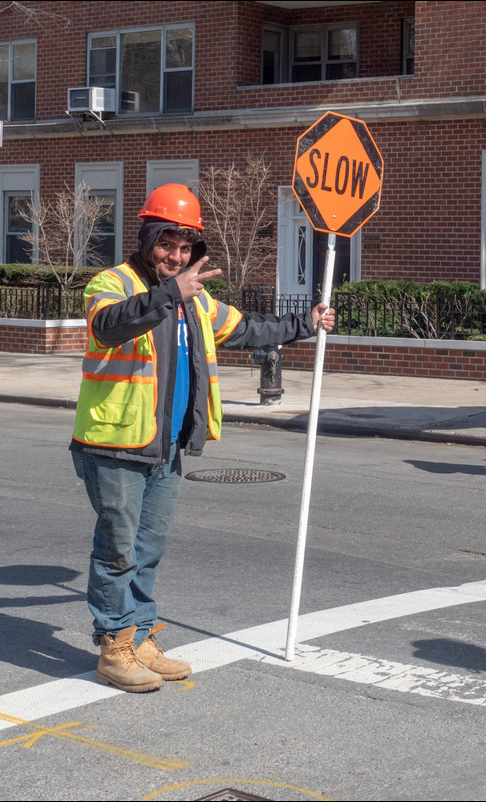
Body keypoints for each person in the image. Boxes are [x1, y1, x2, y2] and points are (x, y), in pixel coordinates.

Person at [71, 183, 335, 693]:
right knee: (118, 549)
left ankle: (140, 635)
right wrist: (172, 291)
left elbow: (245, 328)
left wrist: (305, 322)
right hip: (114, 444)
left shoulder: (197, 301)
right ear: (148, 238)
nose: (175, 255)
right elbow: (107, 326)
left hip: (165, 447)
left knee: (148, 547)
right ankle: (114, 646)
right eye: (166, 243)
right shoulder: (112, 283)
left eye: (185, 246)